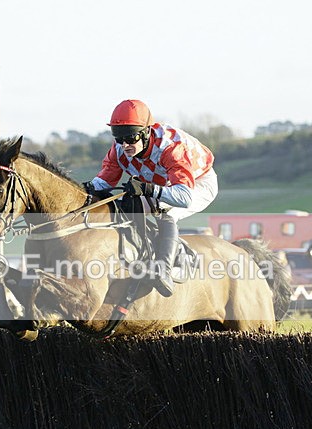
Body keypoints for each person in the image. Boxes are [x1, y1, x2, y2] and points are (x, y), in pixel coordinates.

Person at [87, 99, 218, 297]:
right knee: (127, 205)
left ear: (146, 132)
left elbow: (184, 197)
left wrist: (148, 189)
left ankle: (163, 270)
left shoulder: (171, 148)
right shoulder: (119, 149)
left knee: (165, 210)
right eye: (118, 138)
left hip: (197, 183)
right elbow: (103, 183)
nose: (124, 145)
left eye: (130, 138)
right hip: (164, 183)